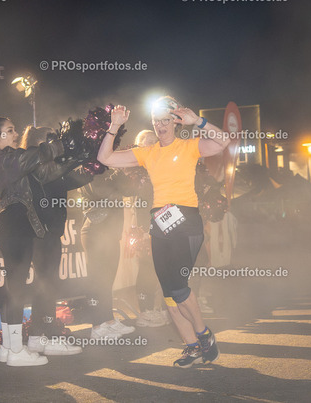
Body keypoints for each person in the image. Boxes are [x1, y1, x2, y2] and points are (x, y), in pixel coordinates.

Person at [97, 97, 229, 367]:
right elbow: (104, 158)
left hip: (186, 221)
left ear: (176, 122)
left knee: (179, 287)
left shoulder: (188, 146)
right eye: (156, 121)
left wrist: (198, 121)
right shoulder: (148, 152)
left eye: (166, 120)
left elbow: (223, 142)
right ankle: (192, 346)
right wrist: (114, 126)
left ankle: (204, 335)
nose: (160, 125)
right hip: (159, 223)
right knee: (169, 293)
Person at [0, 116, 71, 367]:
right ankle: (16, 350)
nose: (15, 134)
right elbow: (30, 158)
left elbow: (43, 170)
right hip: (14, 225)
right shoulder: (0, 159)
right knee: (16, 289)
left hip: (15, 225)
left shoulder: (6, 157)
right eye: (9, 130)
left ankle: (9, 348)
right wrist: (58, 145)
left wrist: (71, 156)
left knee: (14, 288)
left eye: (14, 130)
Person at [20, 126, 93, 356]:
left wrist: (95, 162)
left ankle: (38, 336)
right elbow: (54, 174)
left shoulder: (51, 166)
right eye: (51, 139)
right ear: (38, 143)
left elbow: (72, 179)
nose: (57, 142)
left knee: (47, 283)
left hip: (50, 232)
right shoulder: (33, 163)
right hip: (39, 232)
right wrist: (74, 156)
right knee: (46, 285)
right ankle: (47, 336)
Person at [80, 168, 137, 339]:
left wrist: (125, 173)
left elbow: (130, 190)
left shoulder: (111, 170)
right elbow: (101, 191)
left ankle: (109, 320)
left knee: (107, 280)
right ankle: (97, 326)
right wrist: (118, 174)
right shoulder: (89, 167)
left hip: (111, 233)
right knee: (97, 281)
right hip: (95, 231)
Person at [130, 130, 170, 327]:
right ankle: (145, 313)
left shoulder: (164, 165)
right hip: (146, 227)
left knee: (165, 269)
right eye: (147, 142)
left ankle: (163, 309)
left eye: (155, 141)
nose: (152, 144)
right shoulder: (136, 169)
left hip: (166, 224)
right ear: (139, 146)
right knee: (146, 269)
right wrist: (144, 230)